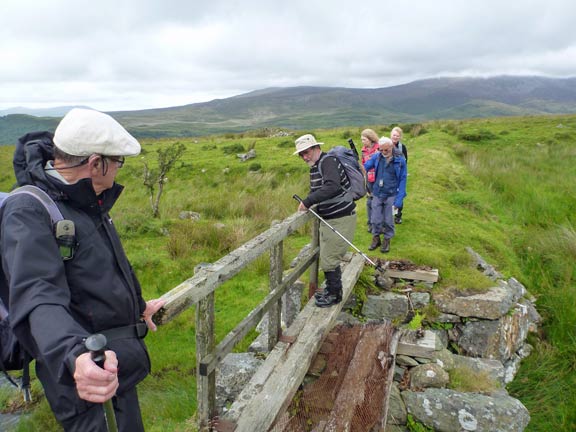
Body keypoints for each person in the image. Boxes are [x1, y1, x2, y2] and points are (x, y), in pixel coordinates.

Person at [0, 108, 165, 431]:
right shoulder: (29, 210)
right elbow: (37, 295)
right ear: (95, 163)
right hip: (83, 377)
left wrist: (138, 305)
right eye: (117, 161)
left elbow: (100, 270)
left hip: (115, 364)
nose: (118, 169)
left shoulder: (86, 201)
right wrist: (75, 356)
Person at [294, 134, 357, 308]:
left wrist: (307, 201)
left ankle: (335, 295)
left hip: (340, 218)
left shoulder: (327, 161)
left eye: (306, 152)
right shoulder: (316, 165)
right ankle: (330, 291)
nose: (304, 157)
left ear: (315, 148)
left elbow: (332, 186)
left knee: (329, 258)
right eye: (301, 154)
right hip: (332, 218)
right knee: (328, 256)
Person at [363, 137, 407, 253]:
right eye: (381, 150)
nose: (383, 153)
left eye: (385, 150)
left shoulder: (400, 160)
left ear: (391, 147)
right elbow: (366, 166)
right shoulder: (377, 156)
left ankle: (387, 239)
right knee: (375, 219)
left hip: (392, 193)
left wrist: (399, 199)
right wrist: (359, 166)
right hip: (377, 192)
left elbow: (403, 179)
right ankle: (376, 238)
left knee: (388, 220)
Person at [360, 129, 380, 232]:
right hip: (368, 179)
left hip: (378, 178)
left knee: (377, 201)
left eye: (364, 139)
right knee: (369, 202)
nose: (363, 142)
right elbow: (363, 165)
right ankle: (370, 223)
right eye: (362, 140)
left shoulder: (379, 148)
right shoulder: (363, 151)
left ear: (370, 138)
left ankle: (378, 223)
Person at [390, 126, 408, 224]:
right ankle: (388, 216)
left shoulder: (402, 147)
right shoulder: (385, 145)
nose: (395, 137)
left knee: (399, 195)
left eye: (397, 135)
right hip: (388, 174)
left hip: (399, 175)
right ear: (390, 135)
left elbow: (406, 161)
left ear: (400, 137)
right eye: (394, 135)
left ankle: (398, 216)